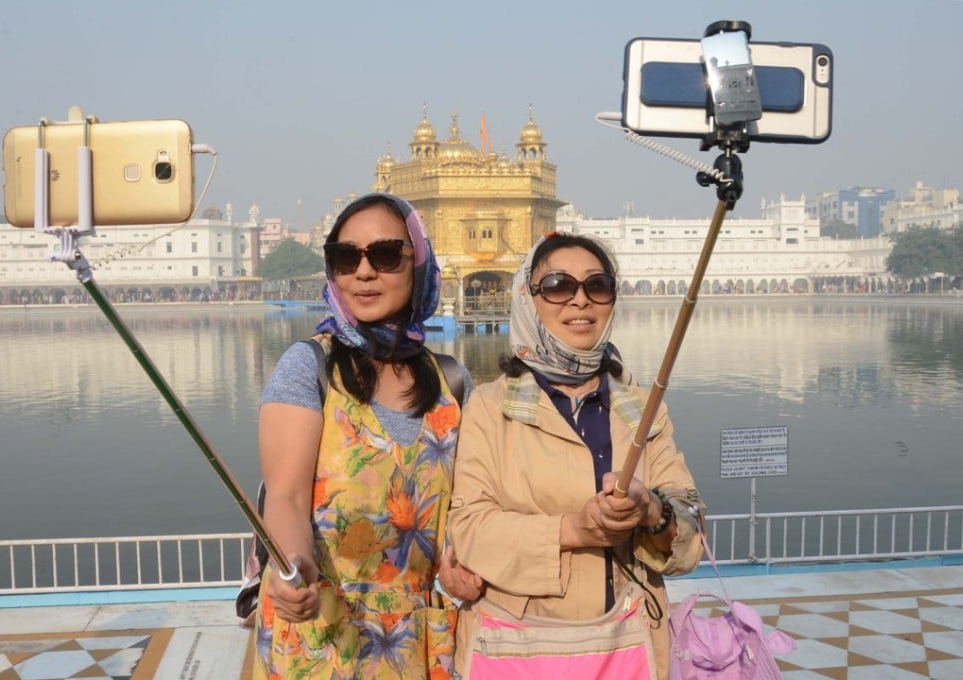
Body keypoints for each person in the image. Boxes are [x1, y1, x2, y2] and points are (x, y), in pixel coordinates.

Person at [447, 232, 706, 679]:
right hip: (517, 642)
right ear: (528, 299)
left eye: (597, 286)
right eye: (558, 286)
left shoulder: (640, 409)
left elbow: (689, 532)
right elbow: (470, 528)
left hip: (628, 641)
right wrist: (573, 530)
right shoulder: (491, 407)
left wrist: (652, 511)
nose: (580, 301)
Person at [253, 193, 475, 679]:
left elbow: (472, 505)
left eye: (387, 255)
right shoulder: (310, 367)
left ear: (418, 263)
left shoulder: (452, 382)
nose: (364, 272)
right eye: (346, 258)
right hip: (322, 627)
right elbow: (286, 494)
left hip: (423, 633)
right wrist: (293, 564)